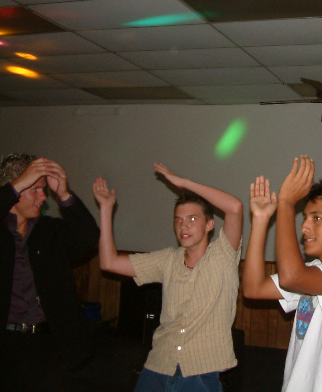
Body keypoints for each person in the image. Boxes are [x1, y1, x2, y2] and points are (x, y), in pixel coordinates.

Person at [93, 162, 242, 392]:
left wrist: (184, 183)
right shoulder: (168, 260)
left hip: (201, 373)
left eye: (192, 219)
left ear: (209, 225)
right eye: (178, 220)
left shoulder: (222, 256)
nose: (184, 226)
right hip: (157, 367)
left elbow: (235, 207)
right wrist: (105, 209)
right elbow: (108, 262)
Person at [243, 156, 322, 391]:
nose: (304, 227)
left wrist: (286, 204)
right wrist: (260, 219)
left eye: (316, 218)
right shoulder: (314, 271)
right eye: (305, 217)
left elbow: (292, 277)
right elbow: (253, 288)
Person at [0, 153, 100, 391]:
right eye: (35, 189)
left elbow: (88, 237)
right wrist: (17, 185)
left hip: (47, 346)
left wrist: (64, 195)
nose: (43, 197)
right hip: (0, 348)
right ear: (15, 188)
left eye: (44, 190)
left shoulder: (48, 231)